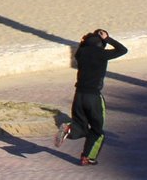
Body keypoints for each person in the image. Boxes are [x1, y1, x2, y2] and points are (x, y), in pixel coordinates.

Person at [54, 29, 127, 166]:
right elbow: (123, 50)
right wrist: (108, 39)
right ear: (101, 43)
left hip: (79, 96)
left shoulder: (81, 53)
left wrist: (84, 42)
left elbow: (81, 48)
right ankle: (88, 157)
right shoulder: (102, 54)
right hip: (93, 97)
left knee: (80, 125)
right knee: (97, 131)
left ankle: (69, 129)